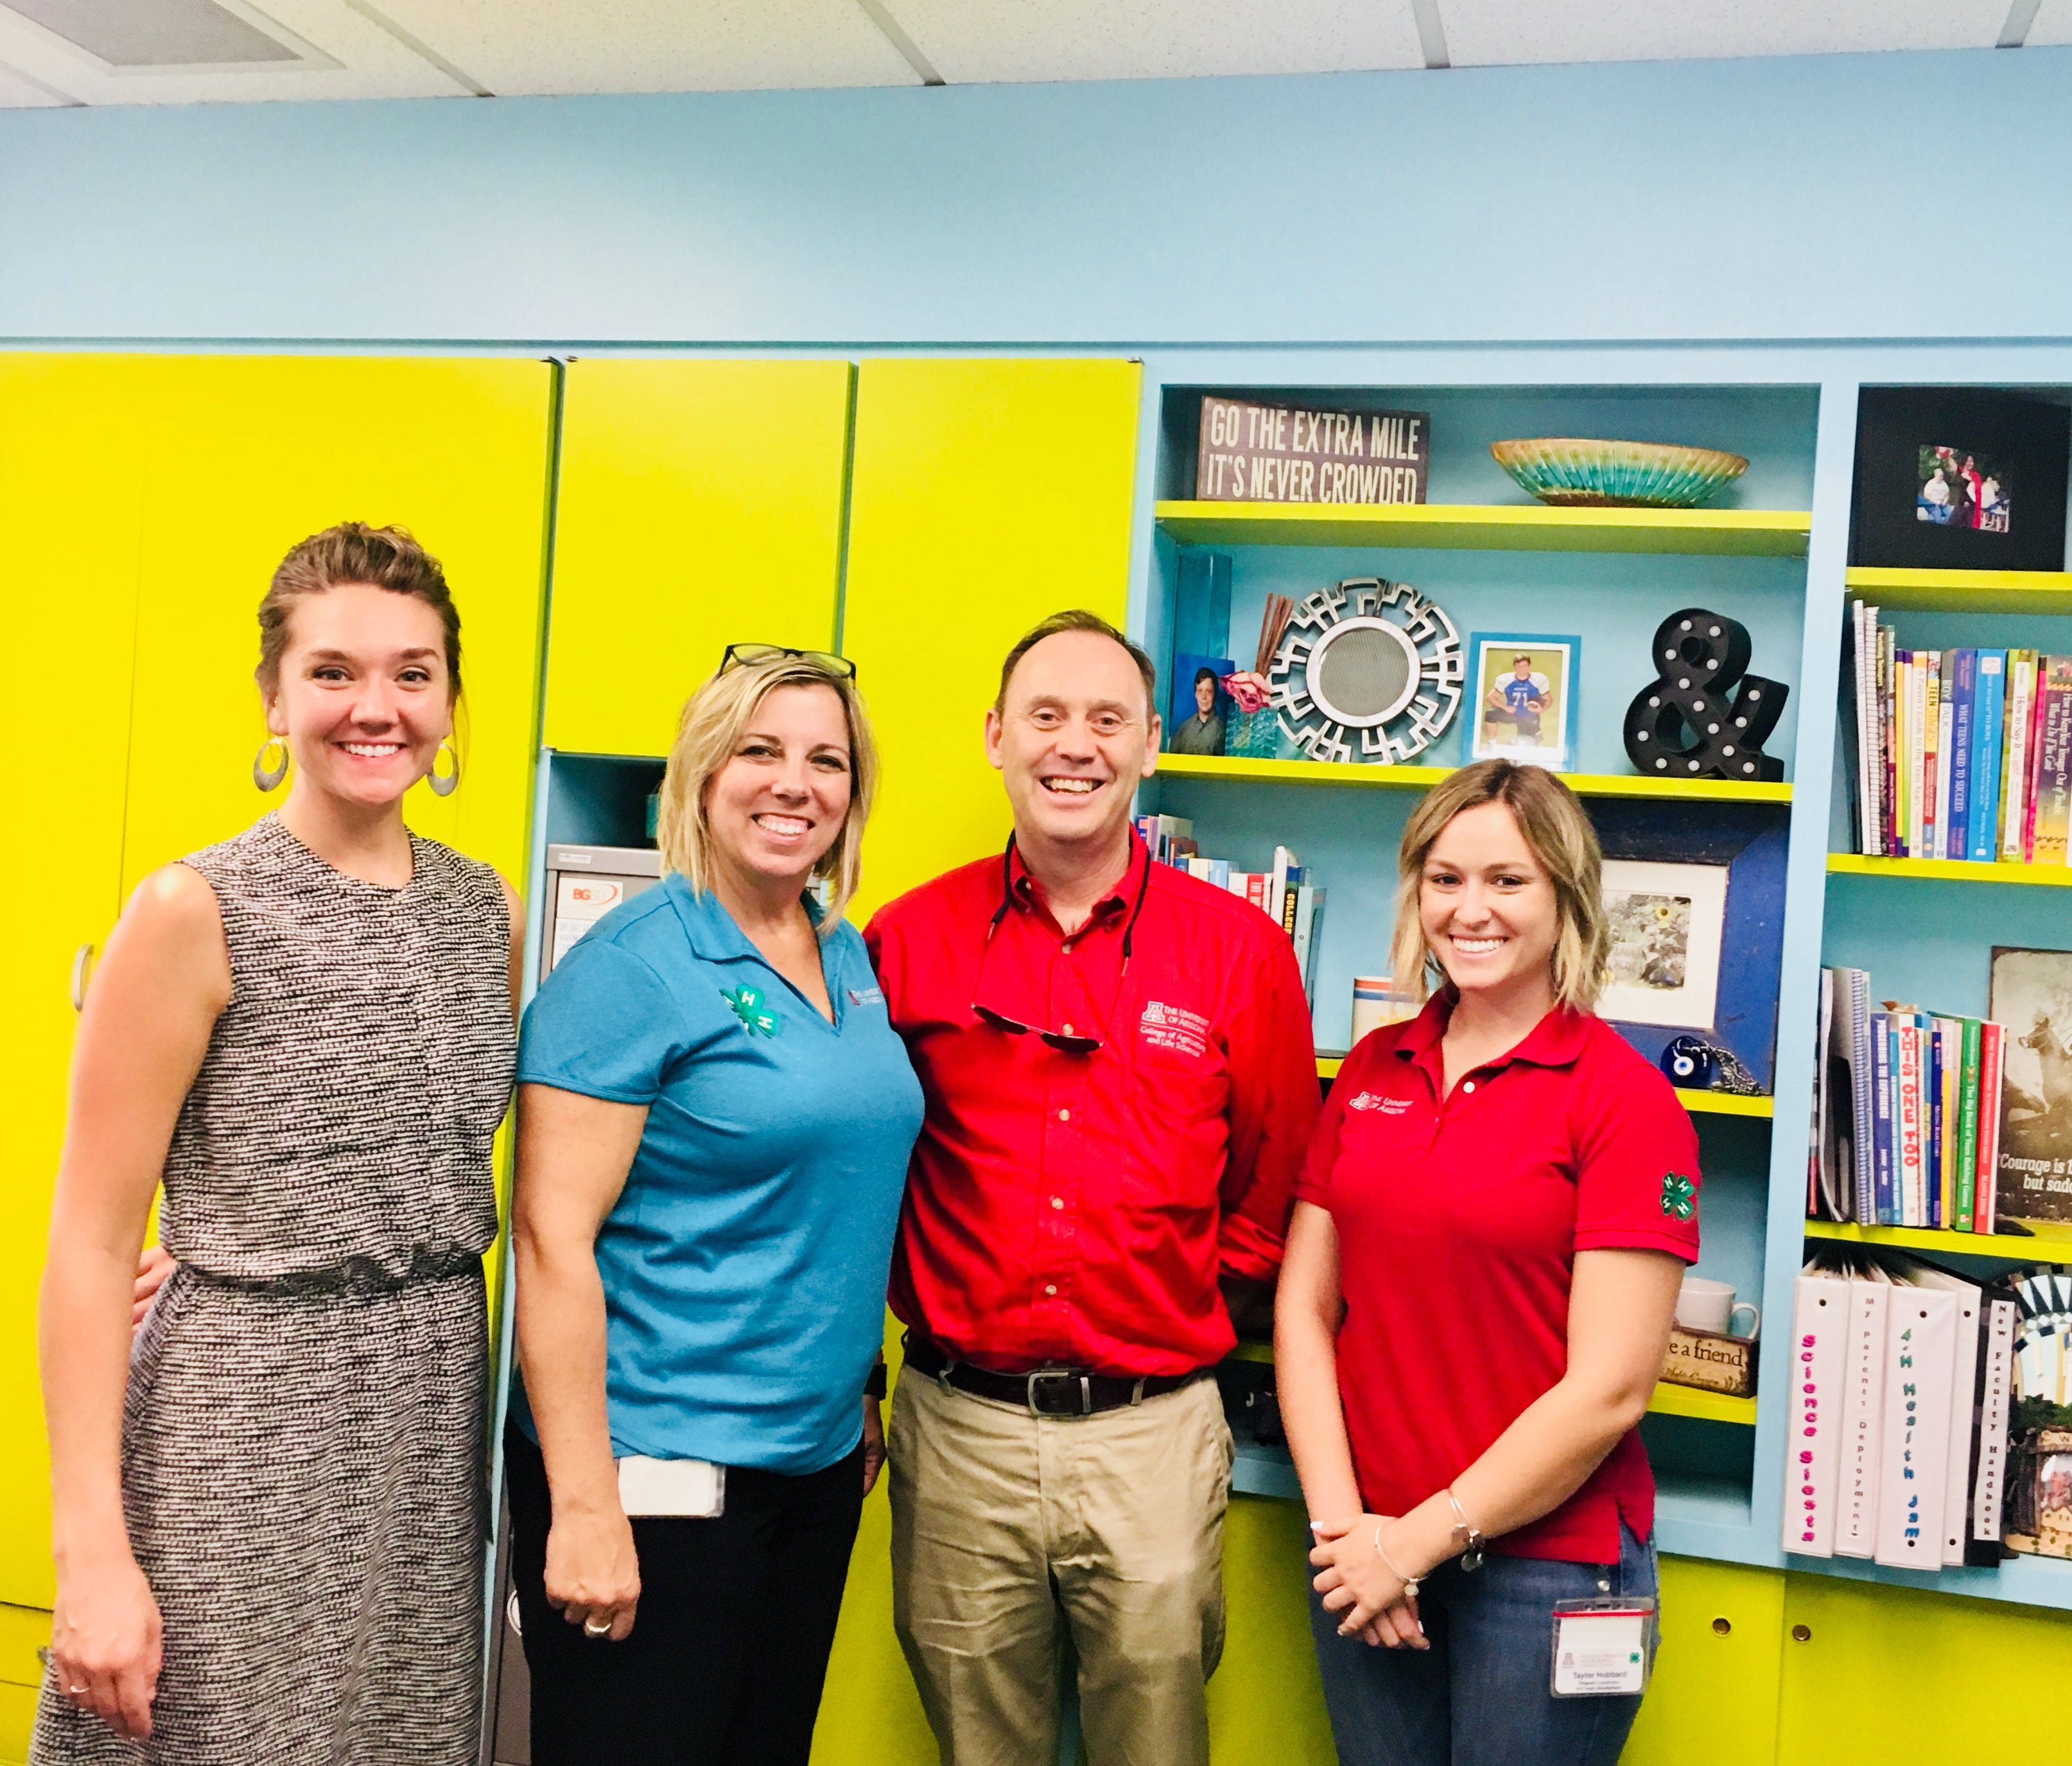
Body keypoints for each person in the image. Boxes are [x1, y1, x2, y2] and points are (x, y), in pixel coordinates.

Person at [35, 523, 521, 1762]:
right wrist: (90, 1553)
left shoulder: (485, 911)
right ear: (273, 697)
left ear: (452, 701)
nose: (378, 708)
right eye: (334, 672)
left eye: (413, 674)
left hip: (422, 1411)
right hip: (242, 1417)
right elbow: (92, 1244)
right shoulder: (194, 908)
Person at [864, 609, 1320, 1766]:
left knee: (1155, 1744)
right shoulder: (906, 940)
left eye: (1106, 719)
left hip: (1151, 1435)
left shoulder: (1239, 953)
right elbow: (861, 1174)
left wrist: (1165, 1313)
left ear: (1150, 743)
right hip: (957, 1425)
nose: (1076, 746)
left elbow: (1272, 1186)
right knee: (978, 1746)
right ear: (994, 737)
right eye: (1046, 716)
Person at [506, 645, 923, 1766]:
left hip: (816, 1465)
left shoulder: (843, 954)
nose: (795, 784)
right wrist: (583, 1503)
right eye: (760, 751)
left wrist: (857, 1384)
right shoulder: (632, 967)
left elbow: (831, 1191)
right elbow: (553, 1243)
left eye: (826, 761)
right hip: (654, 1471)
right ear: (701, 774)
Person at [1273, 759, 1700, 1766]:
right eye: (1444, 877)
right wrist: (1349, 1538)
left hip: (1547, 1569)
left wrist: (1413, 1544)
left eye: (1508, 880)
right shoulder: (1375, 1066)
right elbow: (1303, 1310)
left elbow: (1609, 1391)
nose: (1471, 909)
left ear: (1565, 897)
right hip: (1365, 1546)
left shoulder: (1625, 1102)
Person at [1171, 665, 1227, 755]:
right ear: (1195, 695)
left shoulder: (1224, 732)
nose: (1204, 697)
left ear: (1215, 695)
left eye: (1209, 691)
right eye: (1200, 691)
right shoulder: (1183, 729)